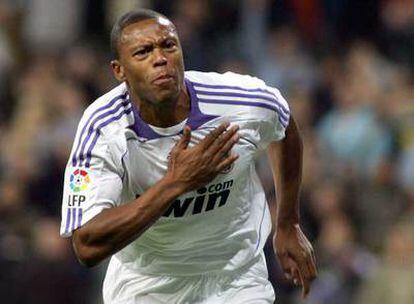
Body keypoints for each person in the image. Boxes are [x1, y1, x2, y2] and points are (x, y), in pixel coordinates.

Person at [60, 9, 317, 304]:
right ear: (119, 70)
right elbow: (87, 244)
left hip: (234, 277)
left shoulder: (241, 100)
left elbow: (283, 125)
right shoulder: (102, 128)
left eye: (168, 46)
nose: (160, 58)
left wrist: (288, 222)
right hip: (146, 284)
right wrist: (175, 183)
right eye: (144, 52)